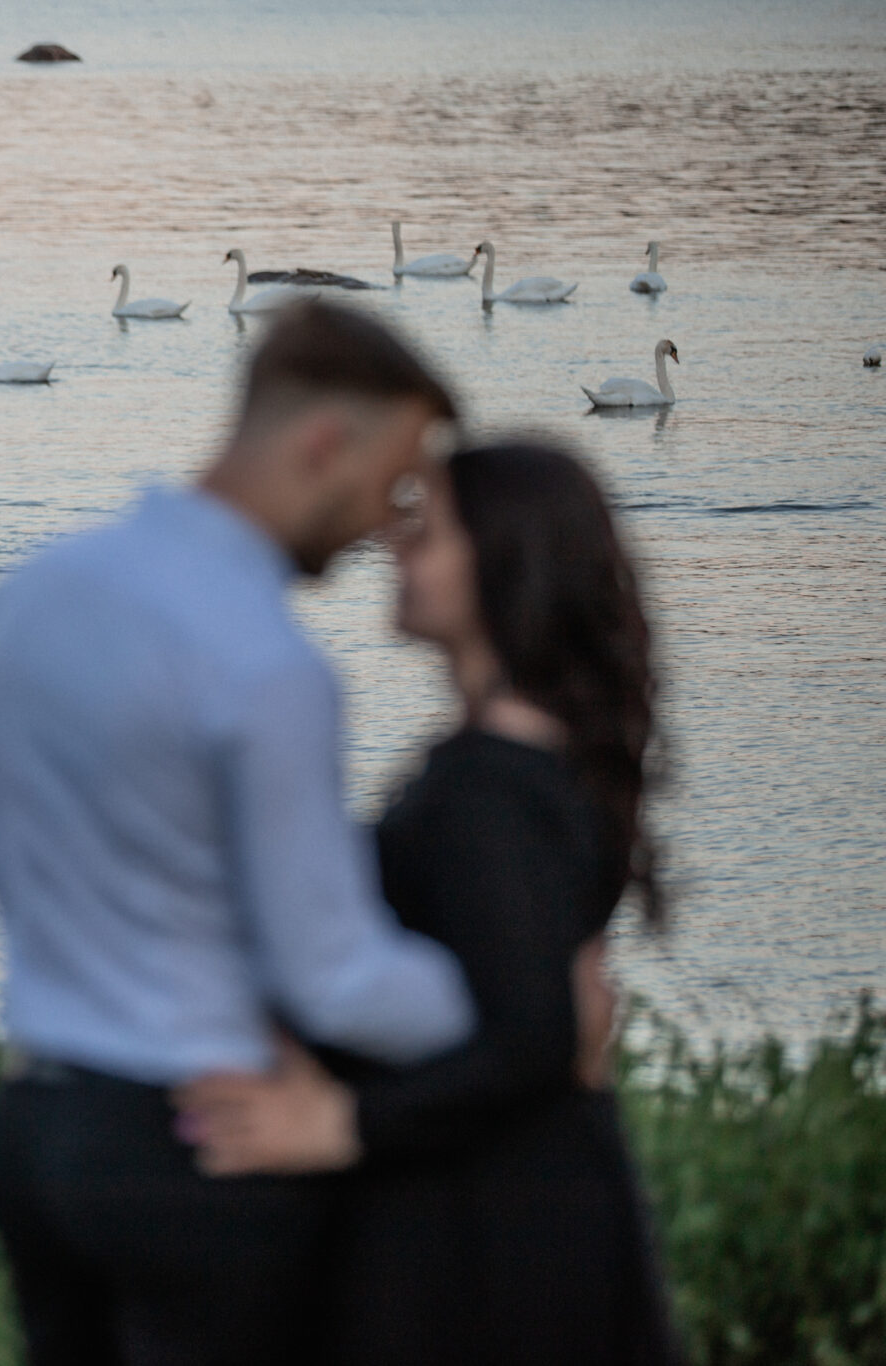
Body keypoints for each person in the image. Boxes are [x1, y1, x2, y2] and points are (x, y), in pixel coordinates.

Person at [0, 301, 477, 1365]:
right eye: (387, 485)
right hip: (198, 1147)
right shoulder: (266, 665)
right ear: (320, 445)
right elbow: (329, 973)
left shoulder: (33, 594)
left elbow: (5, 870)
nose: (383, 526)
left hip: (34, 1128)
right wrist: (498, 1012)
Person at [175, 440, 679, 1365]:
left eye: (427, 528)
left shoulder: (487, 795)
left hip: (477, 1236)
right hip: (529, 1209)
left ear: (500, 560)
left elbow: (532, 1034)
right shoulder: (552, 764)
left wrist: (340, 1125)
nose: (394, 544)